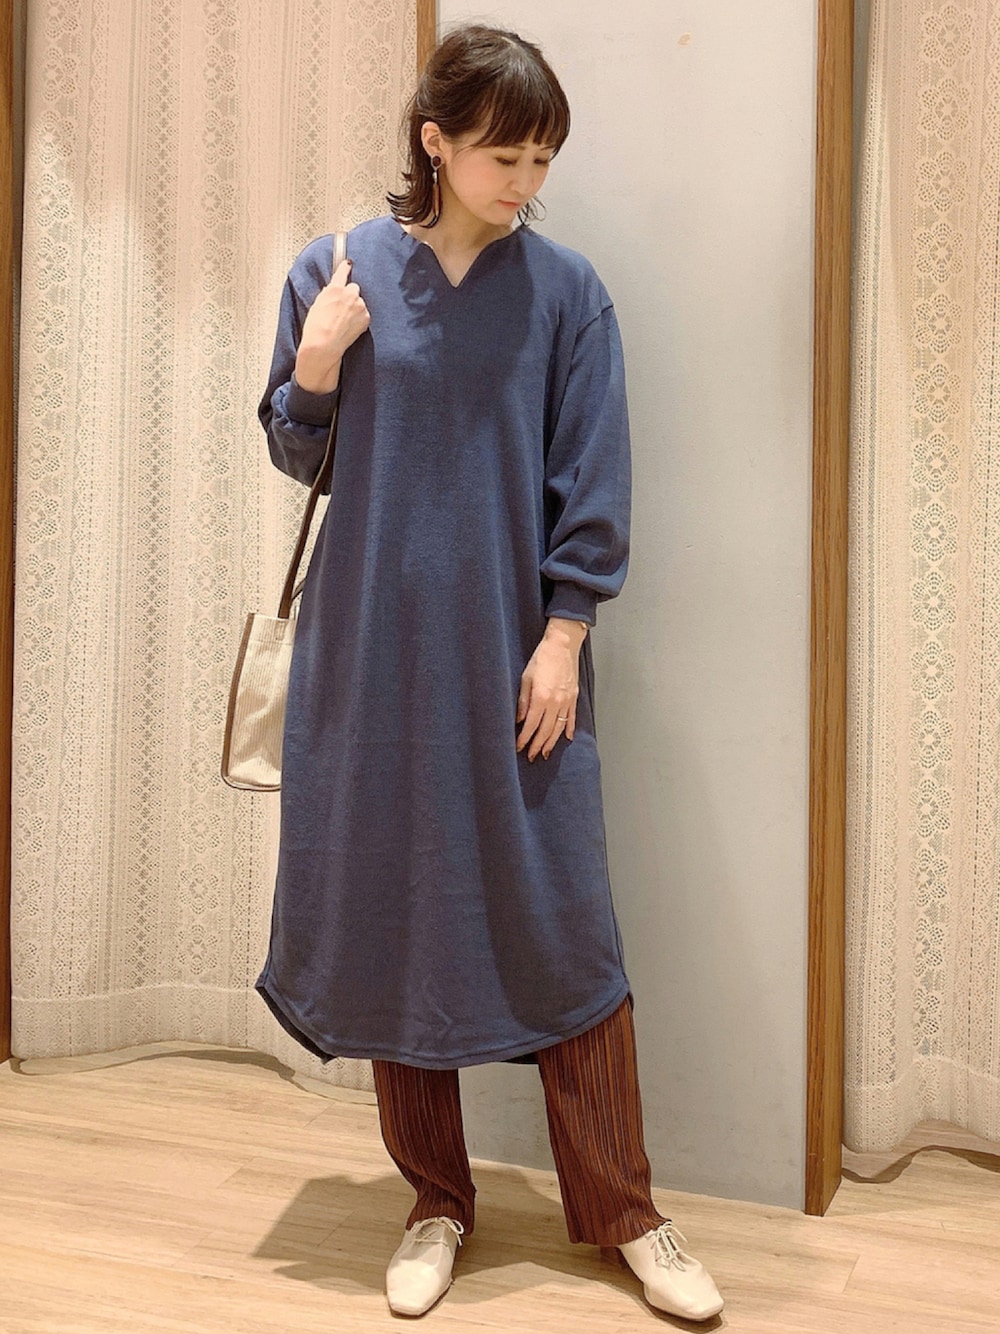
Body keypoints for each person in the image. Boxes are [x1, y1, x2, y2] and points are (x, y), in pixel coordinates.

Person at [254, 21, 724, 1323]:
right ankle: (435, 1201)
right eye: (503, 156)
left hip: (518, 662)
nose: (525, 182)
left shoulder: (567, 294)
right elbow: (298, 453)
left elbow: (595, 479)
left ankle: (628, 1213)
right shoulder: (337, 269)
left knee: (562, 924)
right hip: (373, 659)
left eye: (541, 160)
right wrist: (315, 362)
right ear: (436, 142)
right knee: (399, 915)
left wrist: (566, 636)